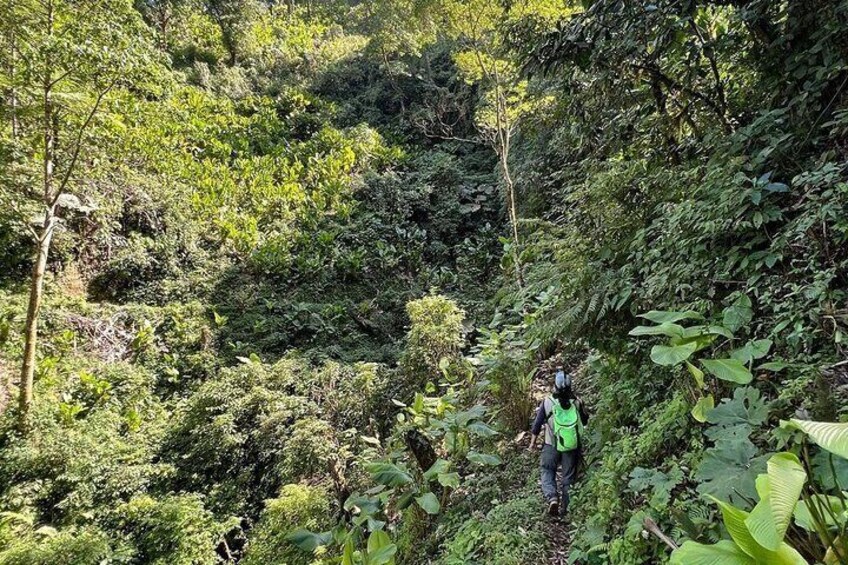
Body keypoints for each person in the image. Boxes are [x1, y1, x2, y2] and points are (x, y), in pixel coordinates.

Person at [529, 367, 588, 516]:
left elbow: (536, 426)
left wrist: (532, 444)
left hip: (551, 444)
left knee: (547, 470)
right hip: (571, 446)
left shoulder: (547, 402)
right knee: (568, 478)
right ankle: (565, 511)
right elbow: (585, 421)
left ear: (554, 385)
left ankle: (552, 498)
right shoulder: (577, 402)